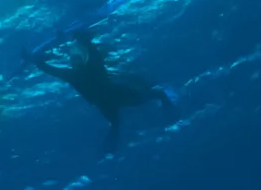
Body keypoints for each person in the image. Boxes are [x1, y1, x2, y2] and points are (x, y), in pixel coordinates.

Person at [23, 29, 177, 156]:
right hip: (110, 98)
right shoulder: (76, 72)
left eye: (76, 58)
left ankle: (166, 104)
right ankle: (111, 146)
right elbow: (45, 65)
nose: (74, 61)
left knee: (148, 99)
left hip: (114, 95)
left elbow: (46, 64)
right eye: (73, 59)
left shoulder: (79, 70)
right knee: (117, 122)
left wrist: (37, 56)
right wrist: (70, 40)